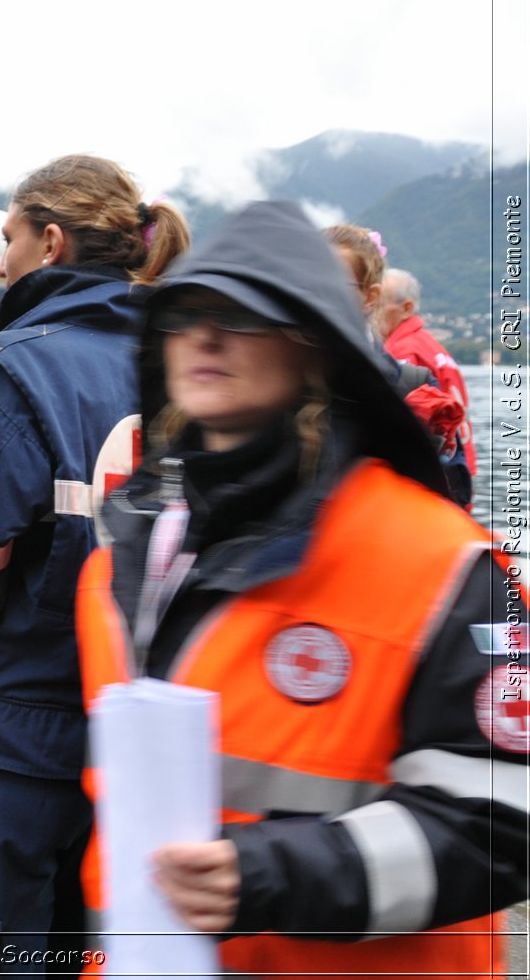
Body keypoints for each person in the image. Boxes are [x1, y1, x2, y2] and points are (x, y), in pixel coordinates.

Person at [76, 200, 527, 976]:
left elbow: (506, 824)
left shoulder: (450, 564)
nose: (205, 335)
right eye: (185, 312)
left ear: (315, 347)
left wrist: (268, 874)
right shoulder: (121, 559)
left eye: (242, 315)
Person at [0, 154, 189, 972]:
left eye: (8, 237)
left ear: (50, 242)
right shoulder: (199, 371)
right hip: (151, 746)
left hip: (10, 736)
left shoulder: (8, 367)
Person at [324, 224, 470, 507]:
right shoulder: (280, 376)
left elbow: (448, 494)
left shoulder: (409, 372)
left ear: (370, 296)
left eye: (334, 285)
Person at [380, 267, 476, 502]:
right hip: (460, 468)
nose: (371, 310)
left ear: (407, 308)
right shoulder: (431, 346)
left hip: (436, 478)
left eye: (380, 303)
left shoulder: (404, 352)